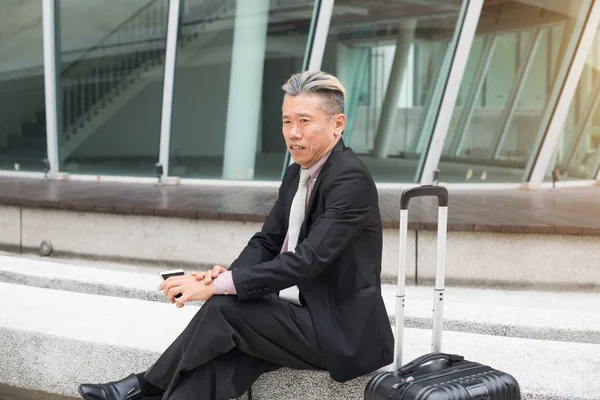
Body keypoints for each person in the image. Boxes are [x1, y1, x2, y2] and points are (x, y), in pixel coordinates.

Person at [77, 70, 394, 400]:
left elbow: (306, 262)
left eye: (304, 121)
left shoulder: (349, 180)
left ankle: (143, 387)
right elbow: (267, 241)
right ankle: (147, 392)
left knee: (224, 309)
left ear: (337, 124)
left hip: (339, 331)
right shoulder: (296, 173)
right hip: (294, 315)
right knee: (218, 364)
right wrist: (229, 275)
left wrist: (216, 286)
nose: (293, 133)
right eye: (286, 122)